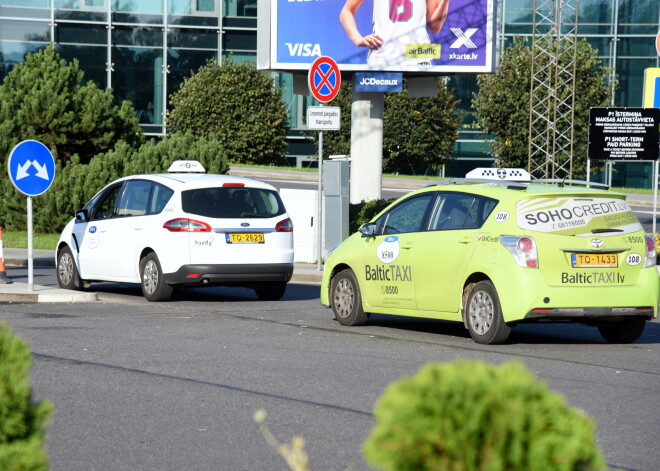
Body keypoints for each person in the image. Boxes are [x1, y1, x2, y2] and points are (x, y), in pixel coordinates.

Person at [340, 0, 451, 66]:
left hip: (418, 56)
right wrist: (357, 39)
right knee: (376, 104)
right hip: (383, 56)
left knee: (420, 104)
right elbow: (346, 11)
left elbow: (435, 27)